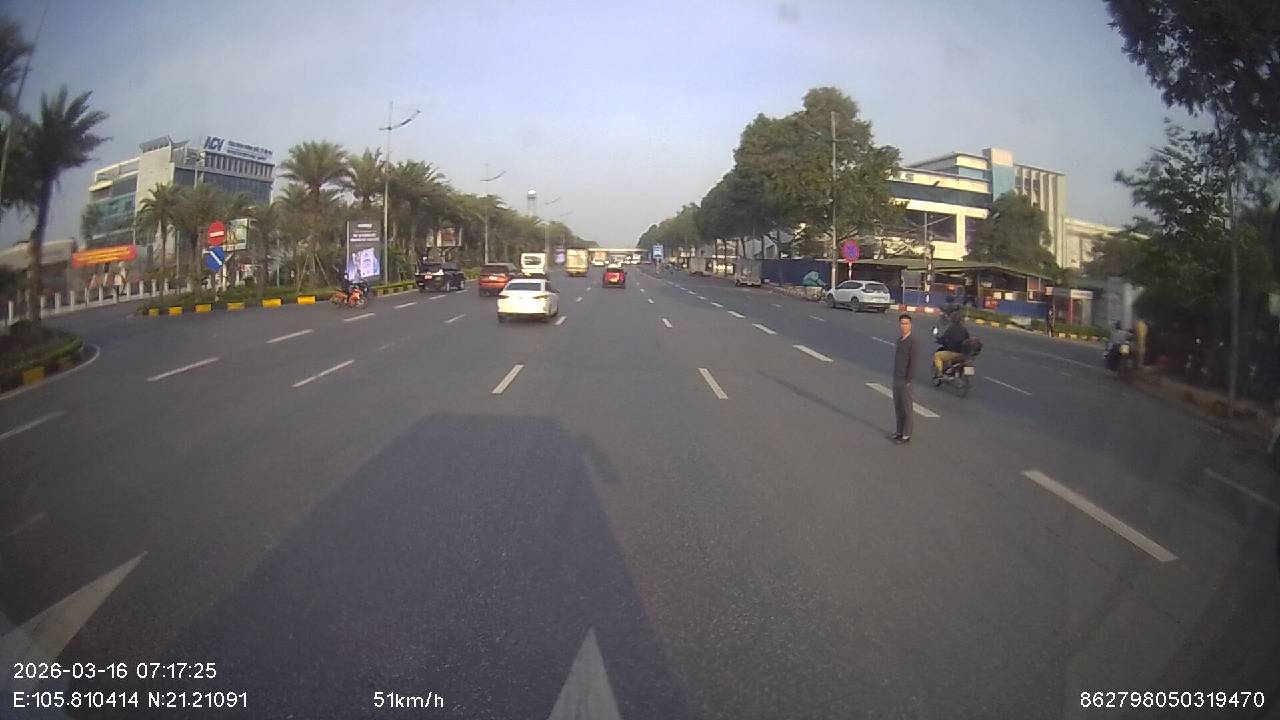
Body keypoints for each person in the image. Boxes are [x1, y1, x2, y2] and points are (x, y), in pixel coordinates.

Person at [891, 313, 917, 444]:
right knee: (898, 406)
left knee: (906, 408)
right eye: (902, 323)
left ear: (910, 325)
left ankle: (906, 434)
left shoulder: (913, 342)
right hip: (897, 377)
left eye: (906, 324)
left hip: (905, 380)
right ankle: (899, 431)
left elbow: (913, 362)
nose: (903, 326)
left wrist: (909, 380)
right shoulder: (899, 340)